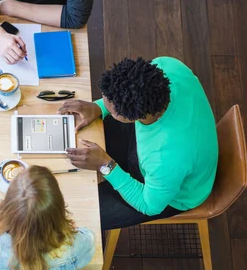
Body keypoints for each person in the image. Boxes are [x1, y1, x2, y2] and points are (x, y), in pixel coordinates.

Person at [58, 57, 218, 230]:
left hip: (169, 194)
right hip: (165, 153)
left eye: (110, 108)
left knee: (79, 214)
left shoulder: (167, 158)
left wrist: (107, 166)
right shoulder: (167, 66)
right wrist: (98, 108)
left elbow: (149, 206)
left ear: (131, 117)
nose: (104, 105)